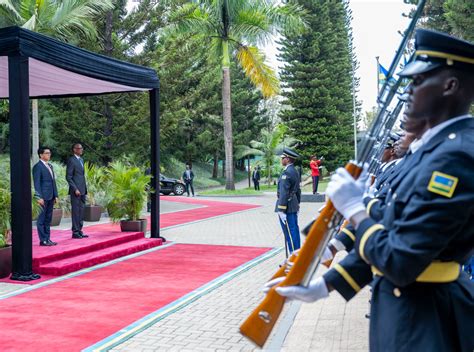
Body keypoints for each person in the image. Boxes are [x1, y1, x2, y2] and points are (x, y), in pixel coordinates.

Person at [269, 29, 474, 351]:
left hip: (427, 319)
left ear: (450, 86)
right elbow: (393, 229)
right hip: (405, 310)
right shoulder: (432, 151)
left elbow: (401, 258)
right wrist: (326, 284)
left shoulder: (456, 155)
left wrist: (355, 209)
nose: (409, 92)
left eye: (418, 82)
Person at [275, 147, 302, 255]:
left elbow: (284, 192)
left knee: (290, 232)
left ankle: (293, 254)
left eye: (283, 158)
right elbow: (298, 190)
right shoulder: (294, 171)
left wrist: (281, 209)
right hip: (293, 204)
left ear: (288, 159)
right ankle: (297, 252)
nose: (281, 160)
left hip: (287, 206)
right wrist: (298, 204)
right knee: (294, 229)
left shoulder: (287, 173)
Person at [32, 147, 58, 246]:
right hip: (43, 197)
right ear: (41, 155)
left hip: (51, 196)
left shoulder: (50, 166)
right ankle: (43, 240)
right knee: (42, 219)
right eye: (47, 153)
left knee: (48, 219)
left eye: (49, 153)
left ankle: (48, 239)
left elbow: (53, 182)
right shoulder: (37, 167)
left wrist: (56, 195)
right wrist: (39, 197)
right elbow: (37, 183)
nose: (49, 155)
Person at [66, 143, 88, 239]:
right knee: (76, 211)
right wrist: (75, 189)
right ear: (74, 150)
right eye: (79, 148)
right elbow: (68, 177)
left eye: (82, 148)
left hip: (83, 189)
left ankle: (80, 230)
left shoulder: (81, 160)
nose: (81, 150)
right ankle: (75, 232)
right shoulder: (71, 160)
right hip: (76, 191)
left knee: (81, 210)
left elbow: (81, 176)